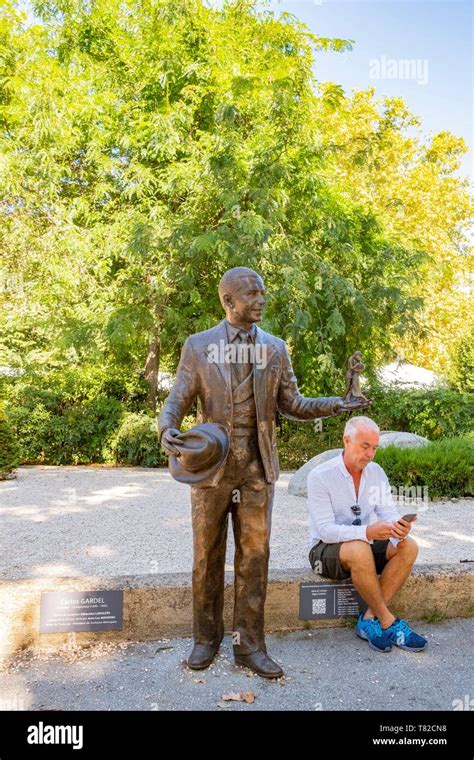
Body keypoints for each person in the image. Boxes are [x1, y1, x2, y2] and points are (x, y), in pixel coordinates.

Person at [158, 266, 346, 678]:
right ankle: (205, 640)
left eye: (263, 293)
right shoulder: (199, 346)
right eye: (252, 294)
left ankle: (249, 647)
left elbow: (293, 404)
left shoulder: (275, 348)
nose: (260, 300)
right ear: (229, 301)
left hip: (257, 470)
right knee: (206, 557)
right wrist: (167, 427)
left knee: (255, 559)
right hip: (211, 470)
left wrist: (337, 403)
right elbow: (177, 398)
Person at [307, 415, 428, 653]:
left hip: (362, 545)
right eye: (365, 446)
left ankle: (369, 618)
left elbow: (387, 513)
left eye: (374, 448)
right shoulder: (320, 475)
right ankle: (388, 621)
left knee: (409, 546)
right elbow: (325, 530)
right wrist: (367, 531)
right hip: (324, 549)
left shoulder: (375, 472)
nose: (370, 454)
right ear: (346, 441)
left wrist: (398, 527)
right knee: (361, 546)